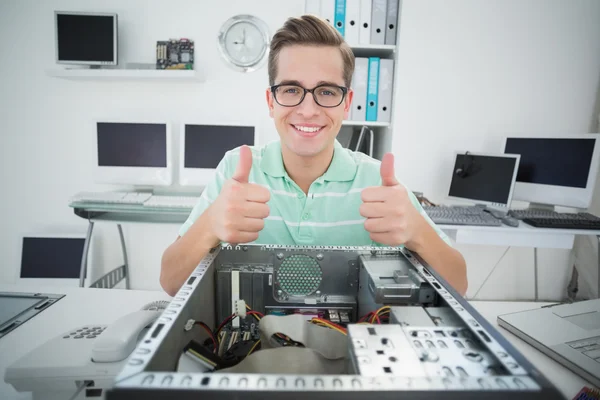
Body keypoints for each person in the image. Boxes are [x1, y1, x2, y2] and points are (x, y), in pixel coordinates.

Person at [160, 15, 467, 297]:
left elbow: (460, 284)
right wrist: (209, 226)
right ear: (271, 101)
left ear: (347, 104)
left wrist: (418, 233)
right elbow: (170, 281)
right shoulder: (235, 170)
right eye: (292, 90)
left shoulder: (375, 182)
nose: (308, 110)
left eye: (327, 91)